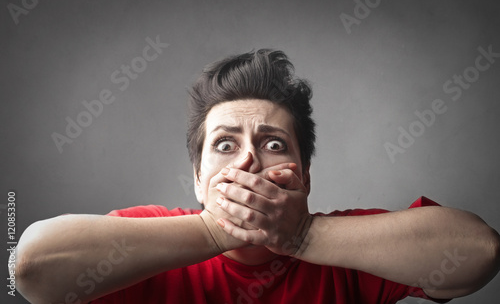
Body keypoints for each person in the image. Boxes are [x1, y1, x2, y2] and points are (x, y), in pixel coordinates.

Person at [16, 49, 500, 303]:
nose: (248, 161)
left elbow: (482, 252)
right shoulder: (145, 240)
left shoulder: (352, 250)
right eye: (225, 145)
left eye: (272, 145)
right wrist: (213, 230)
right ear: (198, 177)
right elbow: (30, 268)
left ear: (305, 177)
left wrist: (302, 237)